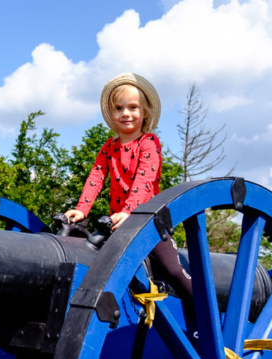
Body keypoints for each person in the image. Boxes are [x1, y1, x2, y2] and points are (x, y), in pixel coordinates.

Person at [65, 73, 193, 306]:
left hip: (149, 224)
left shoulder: (149, 143)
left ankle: (201, 308)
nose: (126, 113)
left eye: (133, 107)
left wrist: (130, 211)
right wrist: (82, 209)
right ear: (112, 114)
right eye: (119, 108)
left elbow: (145, 180)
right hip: (118, 226)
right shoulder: (109, 147)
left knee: (174, 270)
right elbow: (96, 176)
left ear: (145, 113)